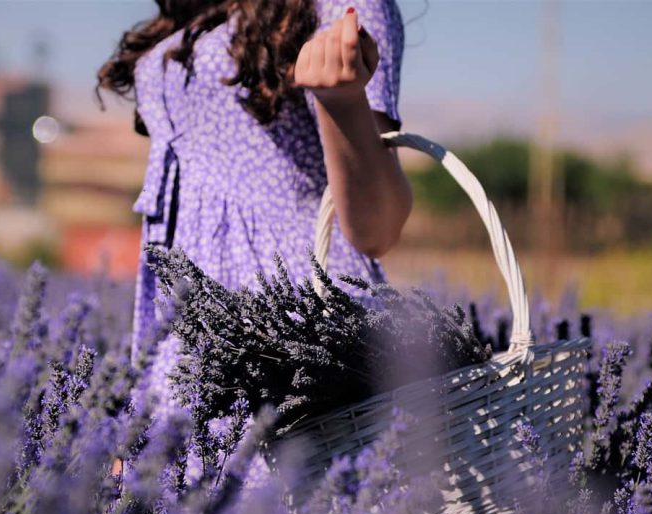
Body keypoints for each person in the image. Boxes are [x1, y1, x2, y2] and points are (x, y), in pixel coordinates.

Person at [95, 0, 413, 483]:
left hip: (281, 334)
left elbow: (377, 228)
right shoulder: (205, 9)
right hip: (188, 333)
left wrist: (344, 102)